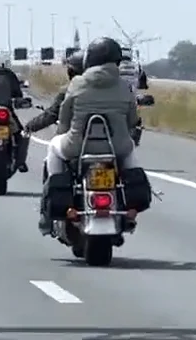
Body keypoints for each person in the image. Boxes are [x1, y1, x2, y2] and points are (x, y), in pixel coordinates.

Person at [39, 36, 143, 233]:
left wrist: (64, 133)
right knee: (131, 158)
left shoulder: (77, 83)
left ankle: (48, 207)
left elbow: (64, 118)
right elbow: (132, 120)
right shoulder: (123, 86)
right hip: (117, 148)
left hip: (77, 146)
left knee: (53, 146)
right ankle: (131, 209)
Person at [24, 53, 85, 138]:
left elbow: (51, 115)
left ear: (72, 72)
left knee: (54, 146)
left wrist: (29, 127)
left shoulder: (69, 91)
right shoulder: (109, 89)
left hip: (75, 140)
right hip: (109, 141)